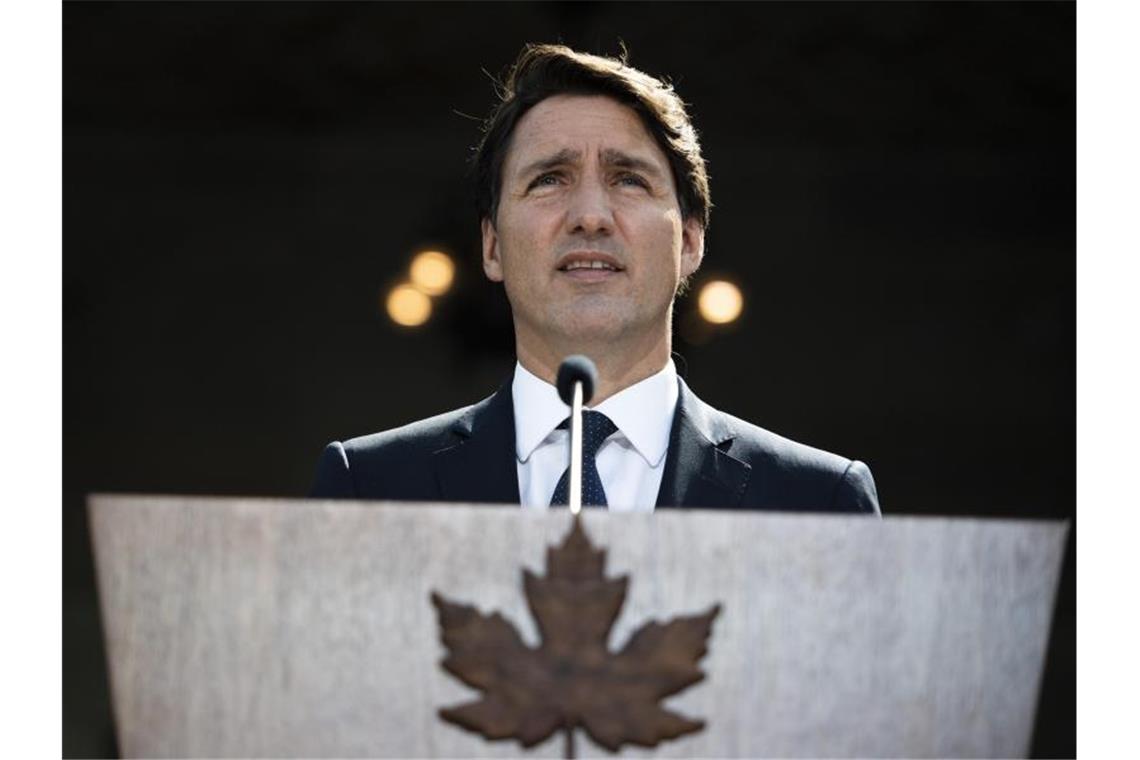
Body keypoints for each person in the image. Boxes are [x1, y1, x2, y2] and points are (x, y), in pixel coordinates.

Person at [309, 44, 880, 515]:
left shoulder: (819, 501)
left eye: (628, 180)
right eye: (549, 179)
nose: (590, 215)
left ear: (690, 241)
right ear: (491, 246)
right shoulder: (368, 487)